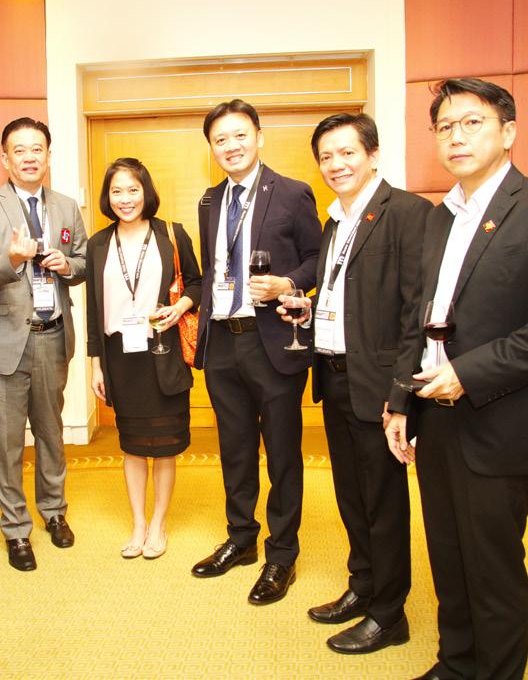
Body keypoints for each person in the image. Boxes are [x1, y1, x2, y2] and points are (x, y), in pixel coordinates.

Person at [385, 78, 528, 680]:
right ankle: (456, 663)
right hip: (436, 415)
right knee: (449, 557)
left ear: (508, 132)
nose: (456, 137)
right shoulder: (440, 218)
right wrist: (400, 401)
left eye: (472, 123)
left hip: (504, 418)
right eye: (445, 127)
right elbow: (420, 317)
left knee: (491, 566)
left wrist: (467, 374)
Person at [279, 113, 430, 653]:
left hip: (379, 386)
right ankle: (363, 586)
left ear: (373, 154)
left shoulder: (408, 213)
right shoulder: (335, 221)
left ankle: (389, 614)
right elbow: (347, 297)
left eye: (347, 152)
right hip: (335, 376)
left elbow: (416, 314)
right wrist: (309, 310)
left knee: (383, 505)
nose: (336, 164)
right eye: (326, 156)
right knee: (352, 496)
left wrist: (401, 396)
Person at [190, 99, 321, 605]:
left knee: (282, 454)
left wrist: (288, 283)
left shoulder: (291, 192)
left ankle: (281, 555)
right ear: (211, 148)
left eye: (240, 135)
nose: (231, 146)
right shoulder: (209, 201)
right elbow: (212, 269)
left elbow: (317, 257)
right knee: (235, 448)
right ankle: (241, 538)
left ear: (259, 137)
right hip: (224, 340)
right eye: (220, 139)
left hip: (273, 342)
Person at [0, 117, 88, 572]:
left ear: (48, 156)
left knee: (51, 433)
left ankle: (54, 511)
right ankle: (16, 529)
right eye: (20, 150)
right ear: (5, 159)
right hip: (3, 344)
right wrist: (12, 259)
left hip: (52, 336)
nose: (30, 157)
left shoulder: (66, 206)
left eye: (38, 149)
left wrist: (67, 265)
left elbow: (84, 261)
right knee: (7, 441)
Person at [86, 158, 201, 560]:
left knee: (165, 445)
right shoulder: (98, 244)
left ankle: (158, 523)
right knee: (133, 446)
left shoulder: (172, 233)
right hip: (121, 357)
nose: (125, 199)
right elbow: (93, 310)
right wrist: (96, 365)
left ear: (146, 192)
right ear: (108, 197)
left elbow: (198, 282)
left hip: (163, 352)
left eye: (132, 190)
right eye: (116, 191)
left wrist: (180, 306)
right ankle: (138, 523)